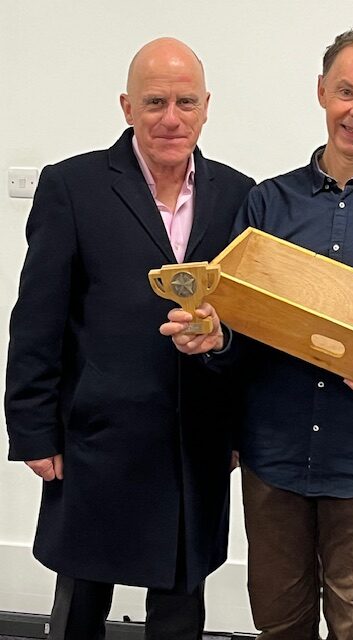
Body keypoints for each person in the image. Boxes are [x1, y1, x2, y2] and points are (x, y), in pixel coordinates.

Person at [161, 24, 353, 640]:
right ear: (322, 92)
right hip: (273, 462)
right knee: (280, 625)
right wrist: (215, 340)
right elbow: (240, 330)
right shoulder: (267, 206)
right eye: (347, 91)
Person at [4, 37, 254, 640]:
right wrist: (33, 431)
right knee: (80, 608)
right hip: (95, 440)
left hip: (193, 443)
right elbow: (37, 319)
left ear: (206, 106)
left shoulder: (240, 194)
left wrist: (238, 428)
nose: (171, 118)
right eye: (155, 102)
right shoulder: (73, 186)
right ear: (126, 107)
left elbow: (248, 326)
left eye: (185, 102)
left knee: (178, 612)